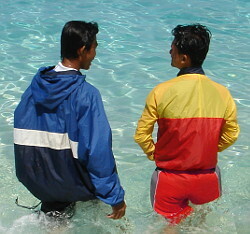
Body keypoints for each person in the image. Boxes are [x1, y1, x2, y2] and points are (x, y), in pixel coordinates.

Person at [14, 20, 126, 219]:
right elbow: (98, 151)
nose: (94, 55)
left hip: (42, 184)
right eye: (94, 49)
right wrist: (115, 197)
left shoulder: (33, 88)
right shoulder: (87, 94)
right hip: (75, 184)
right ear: (83, 50)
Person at [134, 24, 240, 225]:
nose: (169, 51)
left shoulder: (161, 91)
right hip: (208, 177)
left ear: (184, 58)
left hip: (170, 178)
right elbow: (231, 134)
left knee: (170, 226)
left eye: (173, 48)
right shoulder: (222, 92)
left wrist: (155, 154)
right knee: (201, 226)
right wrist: (205, 150)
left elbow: (141, 135)